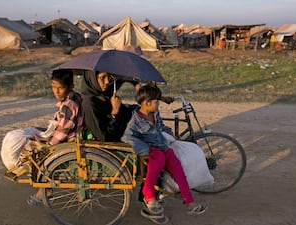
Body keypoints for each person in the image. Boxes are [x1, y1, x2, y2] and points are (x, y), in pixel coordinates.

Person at [121, 84, 207, 222]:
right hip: (152, 150)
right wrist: (145, 149)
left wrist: (170, 136)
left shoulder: (155, 114)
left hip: (163, 147)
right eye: (156, 102)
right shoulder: (136, 120)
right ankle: (148, 194)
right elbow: (127, 137)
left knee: (178, 169)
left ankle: (189, 202)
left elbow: (161, 127)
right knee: (157, 164)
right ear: (147, 103)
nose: (158, 105)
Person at [26, 69, 83, 206]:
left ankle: (46, 191)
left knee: (44, 155)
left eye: (60, 88)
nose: (56, 91)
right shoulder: (74, 97)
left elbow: (63, 132)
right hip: (71, 136)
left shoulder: (68, 106)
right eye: (53, 87)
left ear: (70, 87)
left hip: (70, 140)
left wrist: (49, 143)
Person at [81, 71, 135, 142]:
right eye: (103, 77)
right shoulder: (89, 104)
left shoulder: (107, 97)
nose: (107, 81)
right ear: (92, 78)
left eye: (109, 77)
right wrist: (114, 113)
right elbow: (103, 138)